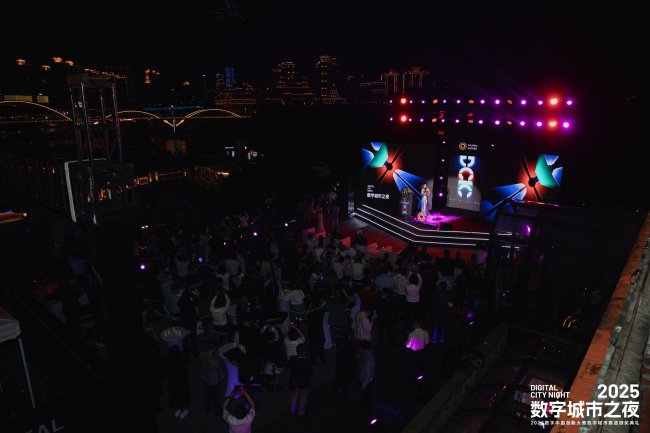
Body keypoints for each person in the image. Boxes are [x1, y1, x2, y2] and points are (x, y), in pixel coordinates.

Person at [166, 345, 191, 419]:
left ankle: (183, 409)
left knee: (178, 396)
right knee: (181, 396)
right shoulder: (180, 360)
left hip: (176, 383)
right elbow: (185, 373)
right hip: (179, 383)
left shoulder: (170, 360)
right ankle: (182, 409)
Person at [287, 343, 313, 416]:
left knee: (294, 396)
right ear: (304, 352)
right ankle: (301, 412)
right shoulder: (307, 362)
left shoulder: (292, 359)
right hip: (304, 382)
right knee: (303, 397)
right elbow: (310, 373)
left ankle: (293, 410)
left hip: (294, 381)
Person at [200, 340, 223, 416]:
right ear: (214, 349)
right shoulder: (214, 360)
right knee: (216, 396)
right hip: (214, 381)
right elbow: (218, 370)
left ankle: (208, 408)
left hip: (205, 378)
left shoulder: (202, 354)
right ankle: (217, 411)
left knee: (207, 394)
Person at [357, 339, 375, 415]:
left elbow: (368, 375)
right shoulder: (366, 354)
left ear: (365, 349)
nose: (359, 350)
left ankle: (369, 409)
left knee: (367, 395)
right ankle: (365, 402)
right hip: (363, 377)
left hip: (366, 381)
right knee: (365, 394)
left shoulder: (369, 361)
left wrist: (364, 386)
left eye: (360, 348)